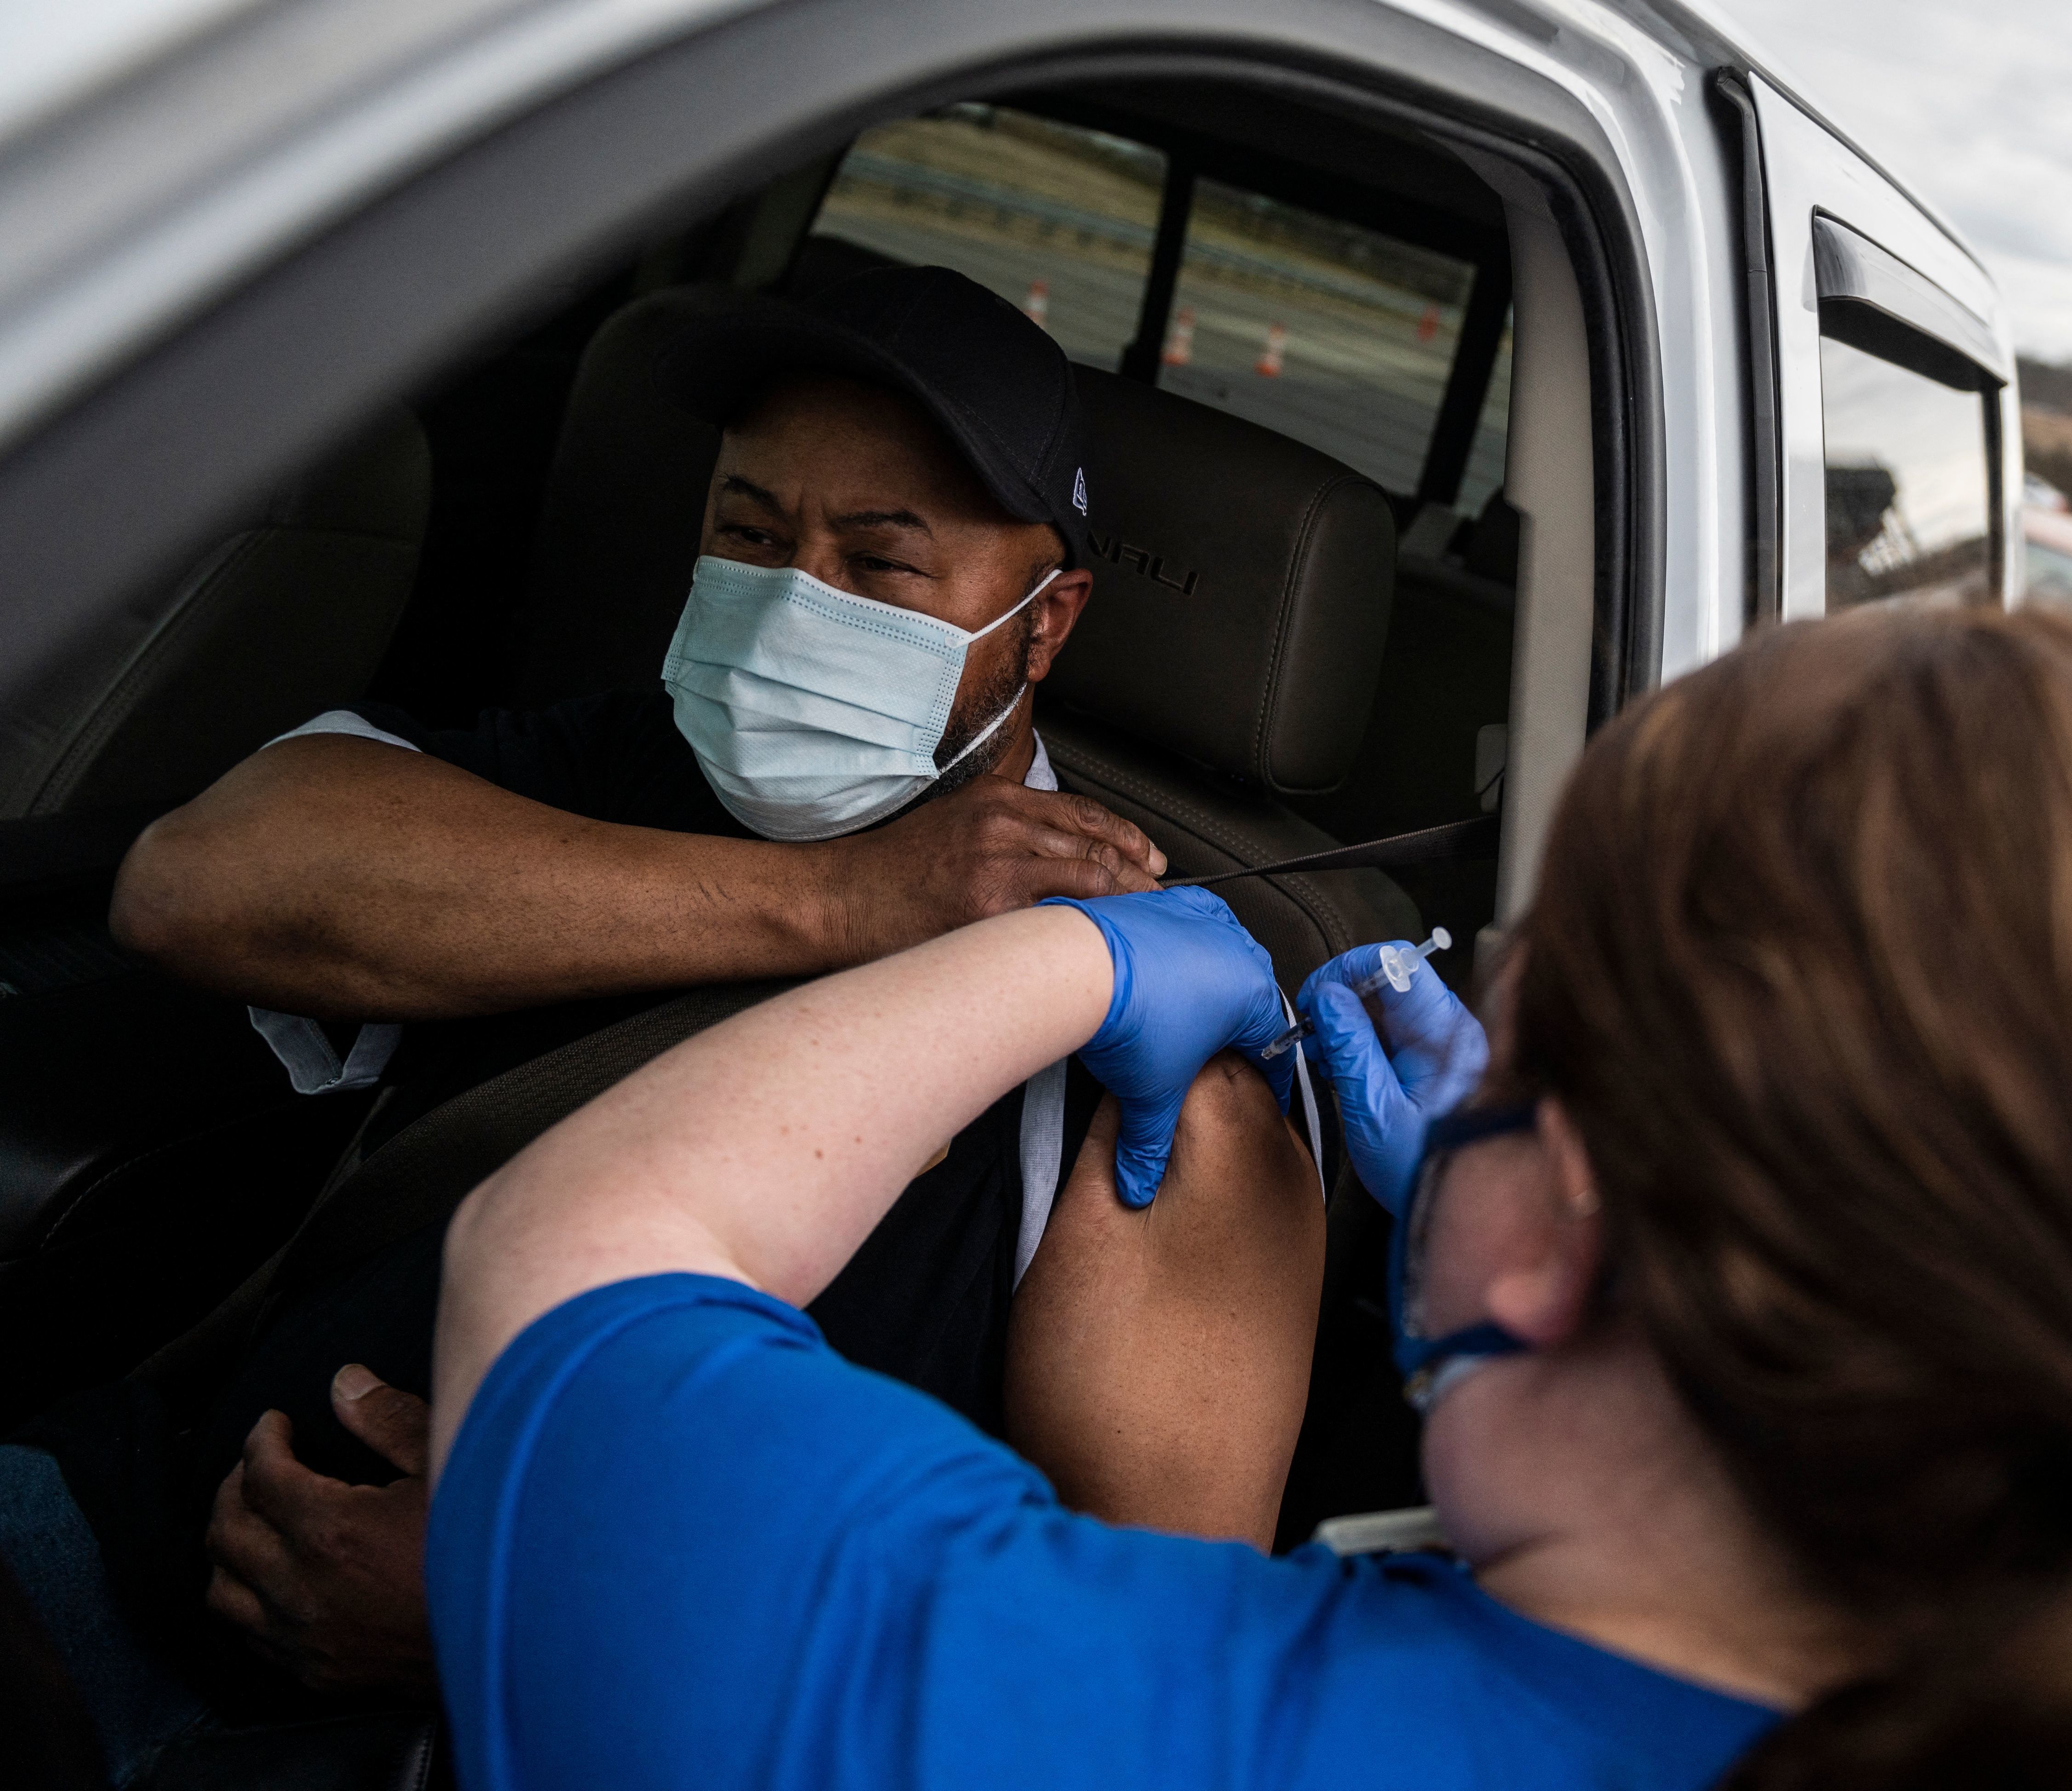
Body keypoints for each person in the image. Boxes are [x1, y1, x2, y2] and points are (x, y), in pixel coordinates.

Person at [427, 606, 2072, 1791]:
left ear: (1558, 1233)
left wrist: (1076, 963)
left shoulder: (1066, 1726)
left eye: (1502, 1040)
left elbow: (578, 1257)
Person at [2, 265, 1324, 1780]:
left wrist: (554, 1614)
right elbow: (201, 880)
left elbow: (1138, 1692)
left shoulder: (1155, 1077)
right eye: (750, 534)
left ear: (1044, 625)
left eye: (882, 568)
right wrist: (838, 904)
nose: (786, 607)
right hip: (127, 1550)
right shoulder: (623, 758)